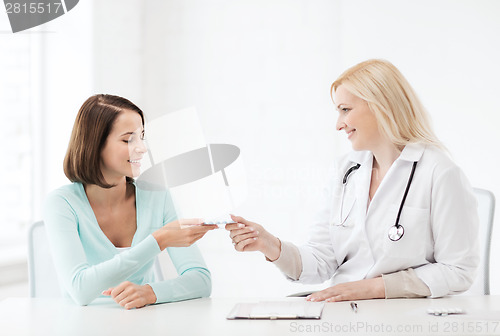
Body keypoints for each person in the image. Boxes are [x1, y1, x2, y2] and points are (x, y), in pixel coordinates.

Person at [226, 59, 479, 302]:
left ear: (383, 105)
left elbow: (458, 270)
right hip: (345, 310)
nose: (339, 124)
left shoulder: (439, 172)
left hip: (403, 314)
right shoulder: (345, 171)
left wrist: (373, 288)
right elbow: (322, 261)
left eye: (345, 110)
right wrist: (269, 244)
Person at [44, 94, 217, 308]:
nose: (142, 148)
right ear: (95, 144)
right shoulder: (62, 203)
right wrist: (158, 240)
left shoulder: (157, 196)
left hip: (141, 323)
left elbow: (201, 280)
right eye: (128, 139)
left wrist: (151, 293)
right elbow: (81, 289)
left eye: (142, 137)